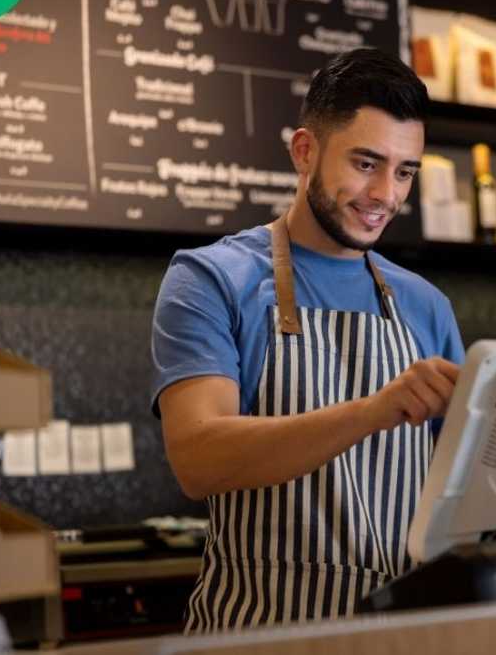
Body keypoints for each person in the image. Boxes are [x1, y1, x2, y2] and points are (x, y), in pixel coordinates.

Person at [150, 48, 465, 633]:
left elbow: (468, 490)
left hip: (398, 638)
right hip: (256, 634)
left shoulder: (426, 306)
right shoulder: (211, 279)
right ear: (305, 151)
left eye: (404, 172)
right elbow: (198, 457)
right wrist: (375, 411)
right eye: (366, 163)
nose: (385, 194)